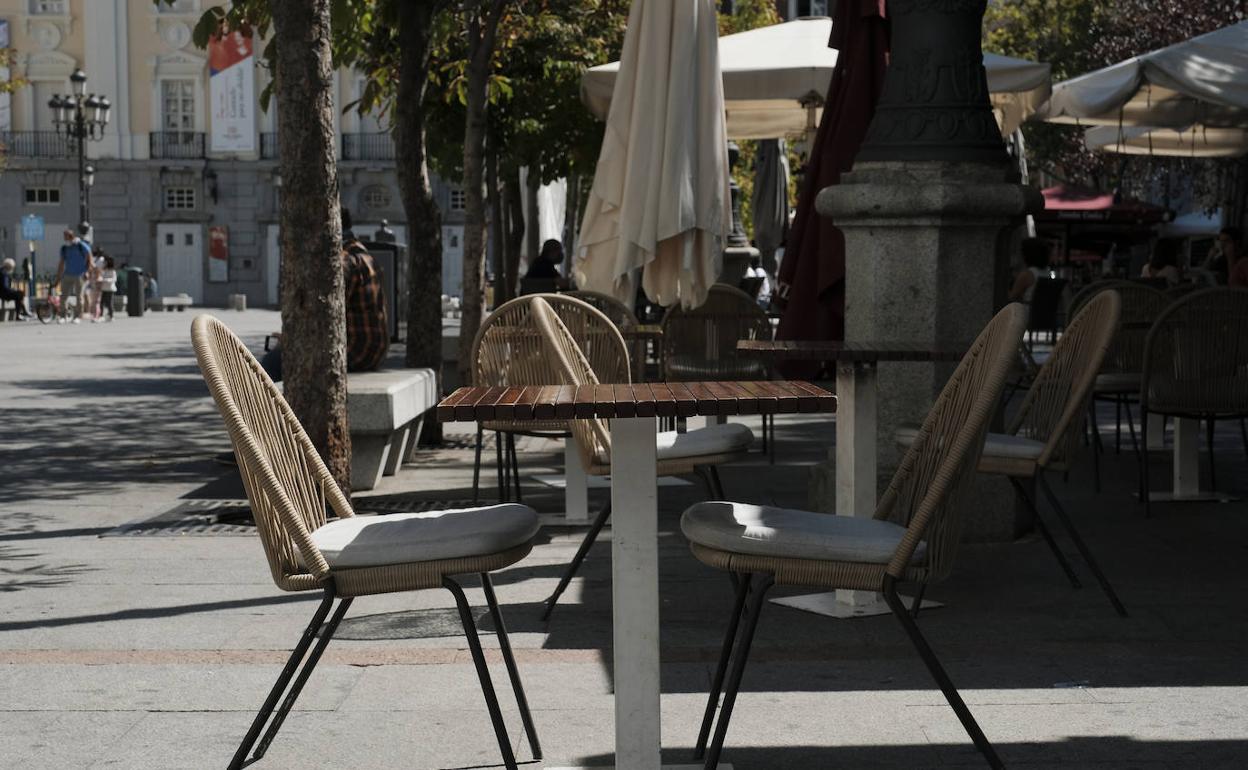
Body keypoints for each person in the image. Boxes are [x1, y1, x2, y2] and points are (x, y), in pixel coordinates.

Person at [55, 227, 93, 323]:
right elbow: (62, 263)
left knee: (79, 296)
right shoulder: (64, 248)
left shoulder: (81, 246)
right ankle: (62, 316)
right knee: (63, 296)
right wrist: (58, 276)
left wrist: (87, 271)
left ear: (71, 236)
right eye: (64, 236)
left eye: (66, 236)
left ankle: (77, 316)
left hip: (80, 274)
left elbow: (89, 258)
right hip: (67, 274)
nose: (65, 238)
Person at [1008, 237, 1050, 302]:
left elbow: (1011, 298)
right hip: (1042, 311)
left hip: (1025, 310)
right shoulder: (1047, 272)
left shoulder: (1027, 275)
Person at [96, 254, 117, 322]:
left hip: (110, 289)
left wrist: (105, 280)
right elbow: (101, 275)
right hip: (104, 288)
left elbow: (114, 279)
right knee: (102, 302)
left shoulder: (113, 271)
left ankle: (111, 315)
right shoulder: (104, 270)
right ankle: (101, 315)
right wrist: (100, 279)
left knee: (109, 303)